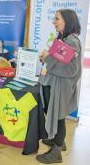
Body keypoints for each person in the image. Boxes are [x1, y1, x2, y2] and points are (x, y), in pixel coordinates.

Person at [37, 9, 82, 164]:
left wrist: (47, 60)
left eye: (57, 19)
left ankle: (56, 152)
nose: (53, 22)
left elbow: (71, 69)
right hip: (52, 83)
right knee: (54, 114)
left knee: (59, 118)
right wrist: (46, 58)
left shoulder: (72, 41)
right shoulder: (62, 38)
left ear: (67, 21)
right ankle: (59, 141)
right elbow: (58, 59)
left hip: (60, 87)